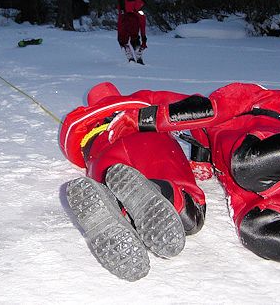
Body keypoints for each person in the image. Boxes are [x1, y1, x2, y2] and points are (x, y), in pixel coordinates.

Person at [108, 81, 280, 265]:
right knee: (256, 231)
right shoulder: (209, 143)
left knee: (246, 164)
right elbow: (201, 157)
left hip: (277, 154)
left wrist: (142, 118)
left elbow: (207, 109)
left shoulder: (243, 98)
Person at [60, 82, 206, 281]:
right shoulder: (142, 98)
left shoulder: (85, 119)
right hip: (148, 138)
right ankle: (162, 193)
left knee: (113, 185)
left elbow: (69, 143)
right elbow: (197, 105)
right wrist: (203, 156)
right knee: (185, 206)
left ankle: (116, 207)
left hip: (102, 152)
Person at [116, 0, 147, 64]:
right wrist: (144, 39)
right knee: (134, 37)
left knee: (122, 39)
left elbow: (122, 2)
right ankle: (137, 52)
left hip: (125, 15)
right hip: (135, 14)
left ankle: (130, 56)